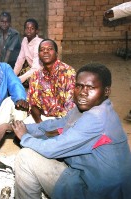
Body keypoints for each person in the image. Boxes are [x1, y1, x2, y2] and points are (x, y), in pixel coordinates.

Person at [12, 63, 131, 199]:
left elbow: (53, 148)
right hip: (91, 177)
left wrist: (25, 137)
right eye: (79, 86)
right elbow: (55, 124)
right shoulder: (88, 108)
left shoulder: (96, 117)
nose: (82, 93)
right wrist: (13, 127)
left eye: (91, 87)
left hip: (99, 191)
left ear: (106, 91)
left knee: (25, 157)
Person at [26, 39, 75, 124]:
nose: (45, 52)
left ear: (56, 53)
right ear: (39, 55)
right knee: (20, 130)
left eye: (49, 49)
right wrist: (40, 124)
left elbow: (70, 106)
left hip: (63, 120)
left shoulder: (68, 73)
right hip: (41, 119)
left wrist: (54, 128)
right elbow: (33, 104)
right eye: (42, 50)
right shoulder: (36, 76)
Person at [13, 18, 43, 86]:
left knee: (31, 80)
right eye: (27, 28)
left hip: (41, 70)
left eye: (32, 28)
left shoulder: (39, 43)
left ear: (36, 31)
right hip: (33, 69)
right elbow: (20, 60)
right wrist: (12, 77)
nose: (29, 31)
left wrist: (19, 80)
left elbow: (36, 68)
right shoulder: (25, 40)